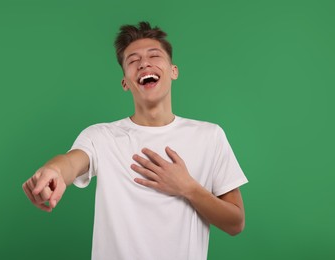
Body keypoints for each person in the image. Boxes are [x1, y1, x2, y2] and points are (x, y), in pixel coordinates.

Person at [22, 21, 248, 260]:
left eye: (154, 55)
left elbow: (235, 223)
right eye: (133, 61)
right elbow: (71, 163)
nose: (144, 63)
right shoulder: (102, 136)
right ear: (125, 83)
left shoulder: (209, 136)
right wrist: (53, 170)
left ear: (173, 71)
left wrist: (187, 187)